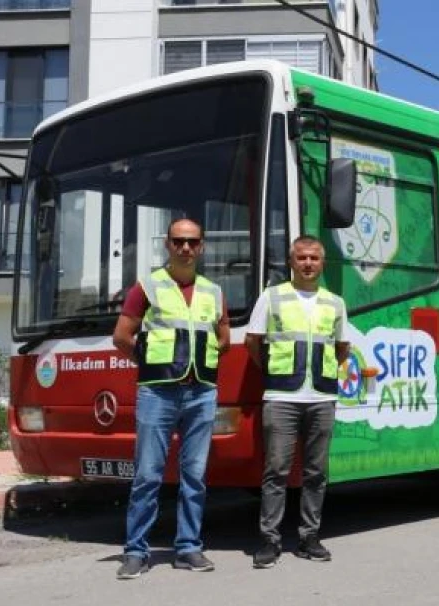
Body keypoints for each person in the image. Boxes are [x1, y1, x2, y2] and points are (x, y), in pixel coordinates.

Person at [112, 217, 230, 580]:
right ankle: (135, 552)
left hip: (201, 392)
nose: (186, 248)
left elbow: (223, 338)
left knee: (194, 475)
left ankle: (189, 548)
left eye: (193, 242)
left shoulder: (213, 291)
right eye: (179, 241)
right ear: (167, 244)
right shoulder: (147, 285)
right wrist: (151, 365)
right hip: (157, 392)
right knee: (148, 475)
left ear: (202, 246)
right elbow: (121, 336)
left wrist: (203, 363)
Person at [246, 235, 349, 569]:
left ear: (322, 263)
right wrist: (276, 372)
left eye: (314, 258)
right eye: (301, 258)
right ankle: (269, 541)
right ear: (291, 262)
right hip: (282, 397)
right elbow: (253, 343)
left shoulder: (335, 303)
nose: (307, 264)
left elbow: (342, 347)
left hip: (321, 397)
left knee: (316, 472)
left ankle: (309, 537)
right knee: (275, 471)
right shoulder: (272, 297)